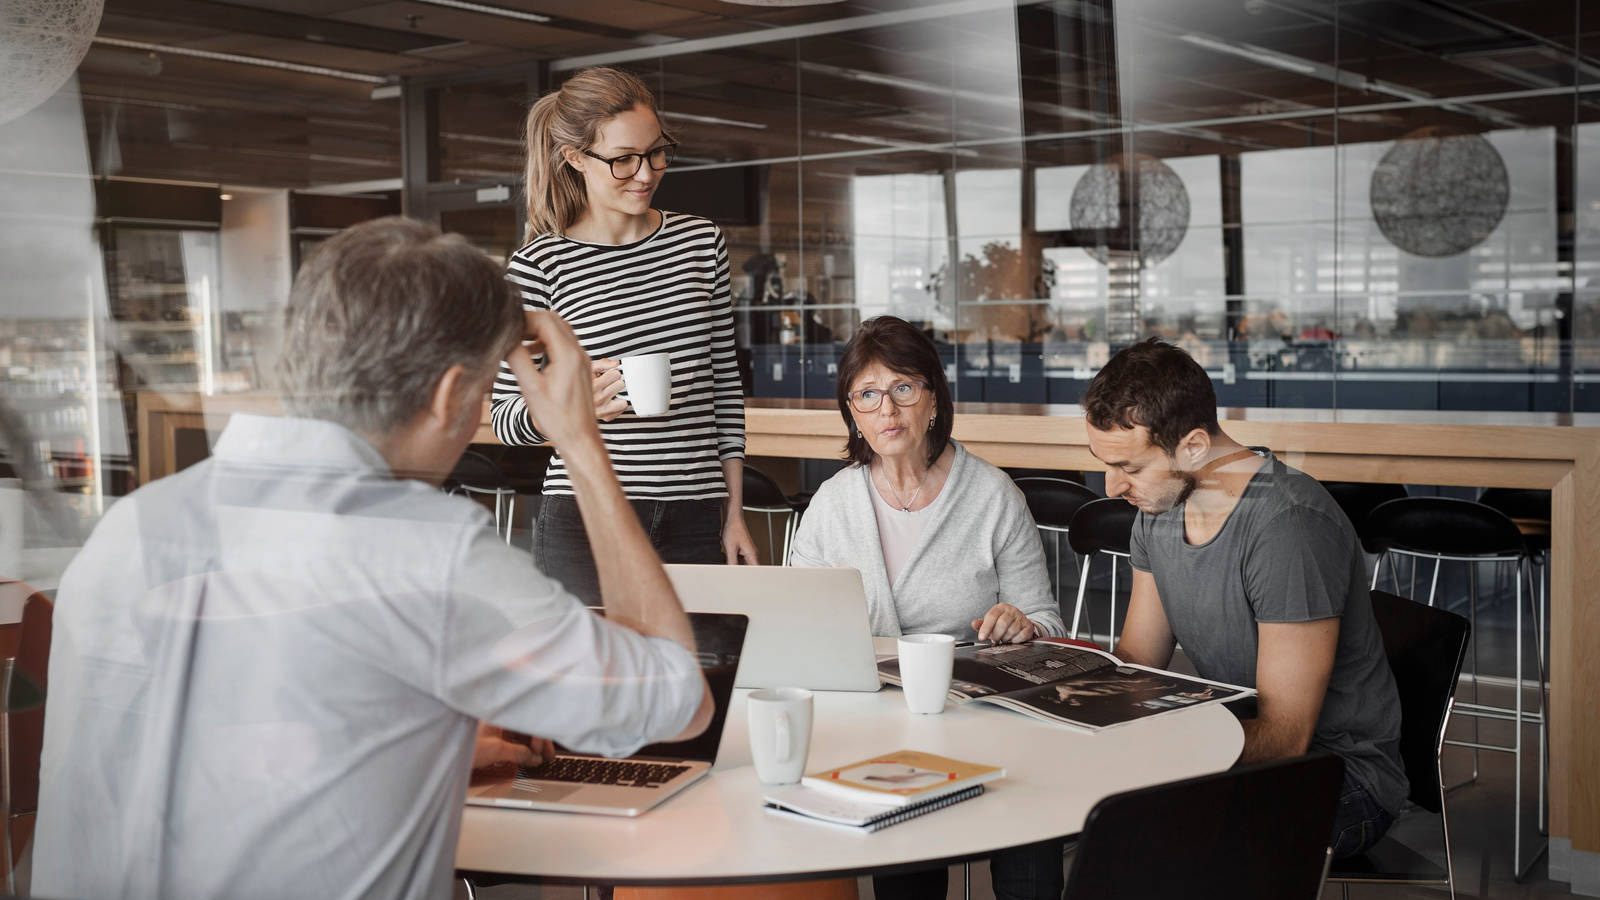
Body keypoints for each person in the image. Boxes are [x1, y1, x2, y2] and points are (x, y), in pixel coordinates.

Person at [31, 217, 714, 900]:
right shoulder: (429, 549)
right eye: (480, 396)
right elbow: (678, 701)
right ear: (449, 398)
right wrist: (579, 442)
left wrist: (411, 737)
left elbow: (174, 759)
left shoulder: (132, 528)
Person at [1080, 337, 1407, 859]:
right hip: (1236, 746)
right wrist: (1053, 677)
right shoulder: (1158, 512)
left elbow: (1286, 737)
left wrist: (1160, 748)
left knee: (1141, 836)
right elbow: (1138, 662)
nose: (1111, 486)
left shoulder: (1288, 526)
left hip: (1336, 777)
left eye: (1131, 467)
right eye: (1104, 463)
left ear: (1192, 447)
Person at [789, 315, 1065, 900]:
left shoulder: (993, 496)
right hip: (878, 726)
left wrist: (1024, 624)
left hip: (985, 718)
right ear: (851, 412)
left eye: (903, 388)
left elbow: (1048, 625)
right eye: (867, 394)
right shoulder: (831, 504)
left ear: (933, 399)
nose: (886, 410)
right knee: (905, 857)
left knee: (1030, 823)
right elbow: (799, 632)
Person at [490, 66, 756, 604]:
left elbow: (723, 388)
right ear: (574, 158)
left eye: (657, 153)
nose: (645, 173)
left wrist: (734, 514)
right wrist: (574, 409)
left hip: (698, 516)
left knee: (700, 679)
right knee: (592, 684)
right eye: (622, 159)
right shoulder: (539, 264)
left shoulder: (701, 243)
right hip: (587, 516)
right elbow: (504, 420)